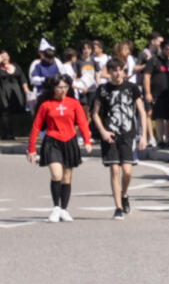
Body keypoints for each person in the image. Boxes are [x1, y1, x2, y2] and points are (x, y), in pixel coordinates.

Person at [26, 75, 92, 221]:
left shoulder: (74, 103)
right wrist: (31, 149)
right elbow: (36, 127)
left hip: (70, 141)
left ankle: (64, 209)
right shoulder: (46, 105)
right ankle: (56, 207)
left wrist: (87, 141)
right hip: (52, 141)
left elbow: (82, 122)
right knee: (57, 175)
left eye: (65, 87)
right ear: (53, 88)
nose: (62, 90)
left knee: (67, 177)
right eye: (59, 87)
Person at [89, 56, 144, 217]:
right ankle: (118, 208)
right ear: (109, 72)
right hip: (110, 133)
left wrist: (144, 135)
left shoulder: (132, 88)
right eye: (114, 70)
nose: (118, 73)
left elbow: (141, 111)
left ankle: (124, 194)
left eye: (120, 70)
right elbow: (95, 114)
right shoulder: (103, 89)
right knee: (114, 169)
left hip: (128, 133)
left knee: (127, 171)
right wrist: (103, 131)